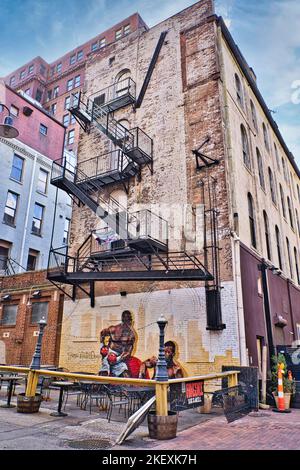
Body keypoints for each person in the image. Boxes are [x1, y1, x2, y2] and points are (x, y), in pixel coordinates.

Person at [99, 310, 138, 377]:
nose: (128, 323)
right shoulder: (113, 329)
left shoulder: (131, 335)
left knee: (126, 376)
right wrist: (103, 347)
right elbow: (102, 333)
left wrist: (116, 359)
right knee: (104, 374)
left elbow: (127, 353)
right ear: (122, 320)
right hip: (109, 353)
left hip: (120, 357)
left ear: (131, 321)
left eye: (129, 320)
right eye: (126, 320)